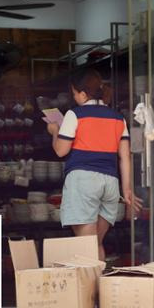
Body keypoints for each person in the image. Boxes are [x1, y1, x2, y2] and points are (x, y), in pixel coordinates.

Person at [47, 69, 142, 261]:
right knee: (95, 244)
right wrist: (127, 190)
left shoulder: (75, 115)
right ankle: (100, 289)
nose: (74, 98)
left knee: (86, 247)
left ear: (82, 94)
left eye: (74, 94)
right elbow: (125, 157)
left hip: (84, 181)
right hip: (110, 184)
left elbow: (60, 151)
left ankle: (90, 290)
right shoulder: (118, 118)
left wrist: (54, 131)